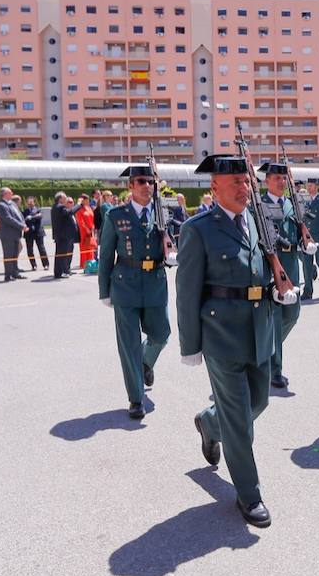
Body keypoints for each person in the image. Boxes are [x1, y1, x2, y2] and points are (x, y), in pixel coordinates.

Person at [177, 154, 294, 528]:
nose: (246, 189)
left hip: (259, 331)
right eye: (237, 183)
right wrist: (190, 345)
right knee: (241, 424)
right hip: (221, 335)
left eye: (248, 182)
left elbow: (263, 269)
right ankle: (249, 494)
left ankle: (211, 424)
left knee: (257, 401)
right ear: (215, 187)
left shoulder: (257, 223)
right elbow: (186, 291)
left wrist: (279, 292)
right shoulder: (199, 229)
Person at [98, 165, 174, 420]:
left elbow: (172, 243)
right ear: (130, 186)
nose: (147, 186)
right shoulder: (115, 216)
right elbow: (106, 254)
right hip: (125, 285)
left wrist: (173, 254)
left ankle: (145, 361)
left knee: (161, 334)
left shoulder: (162, 214)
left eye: (151, 182)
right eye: (141, 181)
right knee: (128, 345)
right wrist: (104, 291)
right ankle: (136, 397)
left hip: (154, 282)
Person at [260, 162, 305, 388]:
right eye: (276, 178)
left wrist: (308, 243)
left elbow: (300, 229)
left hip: (292, 264)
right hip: (273, 264)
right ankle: (275, 370)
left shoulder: (291, 203)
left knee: (293, 314)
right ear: (267, 181)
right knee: (276, 320)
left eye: (283, 178)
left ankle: (269, 351)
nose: (281, 181)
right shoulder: (261, 205)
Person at [299, 177, 319, 299]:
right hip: (306, 238)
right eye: (308, 185)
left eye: (311, 185)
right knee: (306, 266)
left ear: (316, 187)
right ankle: (307, 291)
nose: (308, 187)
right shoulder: (304, 201)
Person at [0, 187, 28, 281]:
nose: (12, 193)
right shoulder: (1, 205)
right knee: (8, 255)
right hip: (7, 234)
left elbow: (19, 215)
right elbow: (8, 219)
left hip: (16, 233)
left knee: (14, 254)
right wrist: (21, 226)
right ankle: (8, 275)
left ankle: (15, 273)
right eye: (10, 192)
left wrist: (23, 223)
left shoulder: (12, 203)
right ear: (4, 194)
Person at [50, 191, 82, 278]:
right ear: (60, 199)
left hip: (61, 236)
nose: (66, 199)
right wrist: (78, 204)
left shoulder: (55, 207)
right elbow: (70, 212)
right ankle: (59, 273)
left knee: (60, 255)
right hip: (63, 236)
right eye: (64, 198)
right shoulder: (60, 207)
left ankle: (58, 273)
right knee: (61, 255)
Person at [22, 197, 50, 271]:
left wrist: (32, 217)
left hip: (38, 232)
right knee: (30, 250)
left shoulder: (38, 210)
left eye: (31, 202)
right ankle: (33, 265)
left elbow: (40, 216)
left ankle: (46, 264)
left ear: (34, 202)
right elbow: (22, 219)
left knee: (41, 249)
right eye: (28, 202)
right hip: (28, 233)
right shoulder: (25, 211)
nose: (30, 204)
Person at [75, 194, 97, 268]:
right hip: (83, 231)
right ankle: (84, 263)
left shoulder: (89, 208)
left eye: (88, 200)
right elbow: (80, 221)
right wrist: (86, 229)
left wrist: (92, 227)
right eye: (86, 200)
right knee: (84, 246)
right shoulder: (79, 209)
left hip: (91, 230)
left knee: (91, 245)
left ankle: (90, 262)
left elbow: (92, 218)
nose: (88, 201)